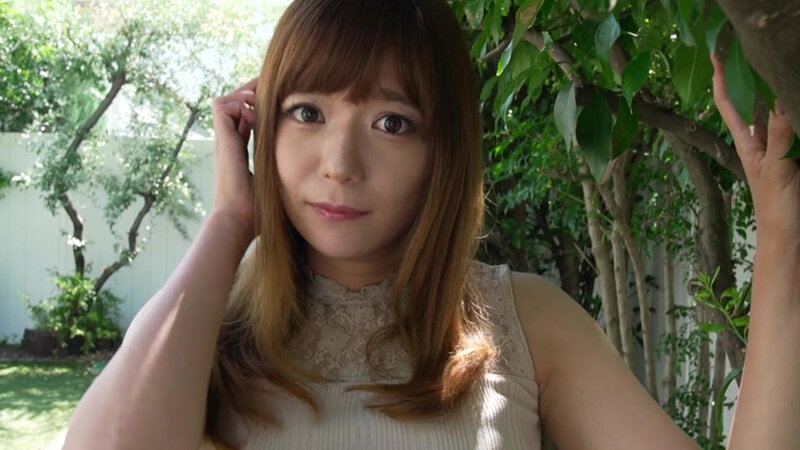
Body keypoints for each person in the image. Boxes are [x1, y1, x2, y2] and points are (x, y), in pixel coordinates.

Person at [63, 0, 800, 449]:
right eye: (307, 112)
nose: (339, 165)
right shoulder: (209, 321)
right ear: (265, 129)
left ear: (442, 150)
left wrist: (780, 236)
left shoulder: (524, 320)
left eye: (391, 122)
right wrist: (231, 221)